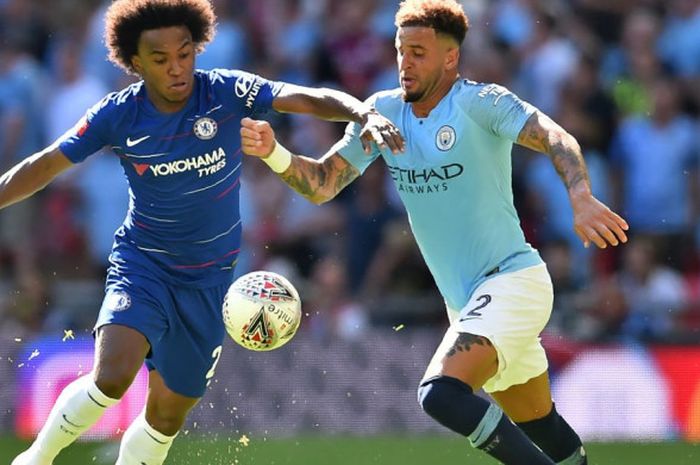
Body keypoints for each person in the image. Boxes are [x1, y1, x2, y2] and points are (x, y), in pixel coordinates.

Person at [3, 1, 403, 465]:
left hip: (210, 282)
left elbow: (300, 95)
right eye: (160, 59)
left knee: (166, 419)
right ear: (135, 63)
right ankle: (35, 458)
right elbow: (46, 163)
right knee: (111, 376)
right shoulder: (118, 115)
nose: (176, 68)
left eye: (185, 53)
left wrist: (361, 114)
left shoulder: (224, 92)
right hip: (143, 265)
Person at [240, 1, 628, 464]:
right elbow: (323, 184)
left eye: (419, 52)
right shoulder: (381, 113)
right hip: (466, 302)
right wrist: (274, 152)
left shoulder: (481, 103)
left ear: (450, 58)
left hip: (512, 282)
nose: (405, 63)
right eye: (401, 50)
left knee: (440, 394)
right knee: (541, 425)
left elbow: (554, 135)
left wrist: (580, 195)